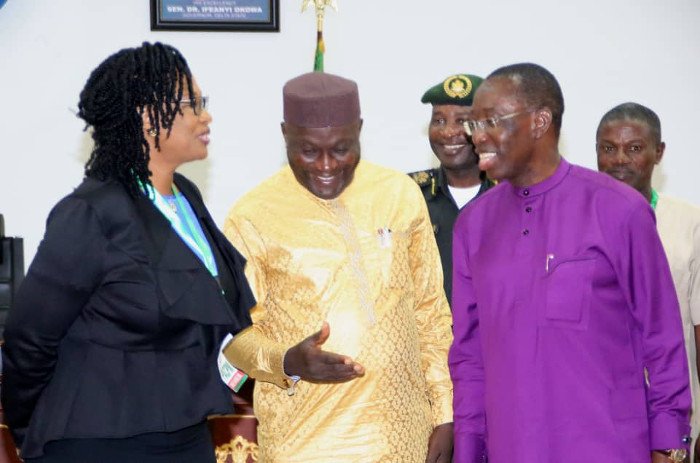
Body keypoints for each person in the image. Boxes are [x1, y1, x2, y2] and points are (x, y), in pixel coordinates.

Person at [0, 42, 255, 463]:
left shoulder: (185, 198)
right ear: (146, 117)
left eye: (202, 102)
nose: (205, 116)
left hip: (187, 435)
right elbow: (29, 342)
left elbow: (218, 320)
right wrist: (35, 430)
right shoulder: (89, 214)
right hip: (95, 441)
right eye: (192, 104)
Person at [449, 62, 691, 463]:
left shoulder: (618, 210)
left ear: (540, 122)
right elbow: (468, 355)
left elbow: (662, 338)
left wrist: (668, 444)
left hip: (609, 448)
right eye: (474, 124)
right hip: (512, 449)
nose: (478, 137)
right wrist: (469, 449)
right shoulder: (473, 226)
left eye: (490, 121)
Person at [221, 72, 454, 462]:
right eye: (308, 151)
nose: (326, 165)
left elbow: (431, 312)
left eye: (342, 149)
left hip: (403, 437)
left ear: (360, 130)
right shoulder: (252, 216)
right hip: (307, 440)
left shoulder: (399, 194)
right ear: (284, 134)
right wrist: (287, 361)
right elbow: (233, 337)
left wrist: (445, 415)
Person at [596, 102, 700, 459]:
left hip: (672, 415)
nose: (619, 159)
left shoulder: (690, 224)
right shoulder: (575, 222)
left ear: (659, 152)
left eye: (634, 148)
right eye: (608, 149)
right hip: (598, 416)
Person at [409, 73, 493, 305]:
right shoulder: (409, 195)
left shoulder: (510, 197)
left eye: (462, 121)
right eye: (439, 120)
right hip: (428, 339)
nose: (448, 132)